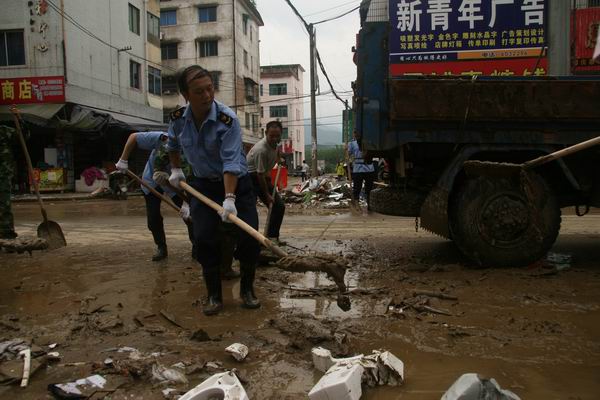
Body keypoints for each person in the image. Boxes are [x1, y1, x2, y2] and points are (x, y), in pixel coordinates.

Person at [166, 65, 260, 316]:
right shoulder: (177, 120)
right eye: (199, 91)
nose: (207, 95)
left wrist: (230, 199)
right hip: (203, 186)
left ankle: (248, 291)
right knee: (204, 238)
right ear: (186, 96)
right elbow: (171, 144)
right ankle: (214, 296)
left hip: (237, 185)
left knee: (249, 237)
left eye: (210, 89)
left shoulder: (227, 119)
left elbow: (230, 161)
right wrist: (176, 170)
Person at [152, 145, 239, 280]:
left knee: (227, 227)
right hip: (191, 188)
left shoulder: (216, 138)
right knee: (202, 229)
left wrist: (229, 197)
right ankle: (208, 268)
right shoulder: (177, 138)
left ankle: (225, 268)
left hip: (219, 184)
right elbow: (164, 152)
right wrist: (158, 171)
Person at [115, 132, 193, 261]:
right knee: (153, 217)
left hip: (177, 184)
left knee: (190, 216)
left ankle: (197, 247)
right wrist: (123, 160)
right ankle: (161, 247)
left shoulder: (192, 153)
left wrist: (187, 203)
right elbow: (133, 137)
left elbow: (192, 179)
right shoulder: (161, 139)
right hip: (151, 181)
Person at [247, 120, 285, 243]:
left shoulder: (275, 144)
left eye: (277, 136)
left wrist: (279, 159)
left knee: (278, 207)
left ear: (281, 134)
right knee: (249, 211)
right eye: (271, 136)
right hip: (250, 179)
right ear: (265, 133)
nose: (275, 139)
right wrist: (267, 195)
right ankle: (252, 242)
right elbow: (260, 175)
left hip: (262, 177)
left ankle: (272, 238)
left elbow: (276, 151)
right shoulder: (261, 150)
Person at [348, 131, 375, 209]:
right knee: (357, 186)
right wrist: (346, 151)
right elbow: (348, 154)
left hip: (369, 167)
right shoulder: (352, 143)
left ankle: (369, 203)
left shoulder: (370, 142)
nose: (356, 135)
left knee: (369, 187)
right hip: (358, 168)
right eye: (355, 133)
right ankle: (356, 203)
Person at [0, 125, 17, 240]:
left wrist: (18, 118)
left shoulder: (4, 130)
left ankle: (7, 234)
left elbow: (22, 136)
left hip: (3, 175)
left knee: (4, 204)